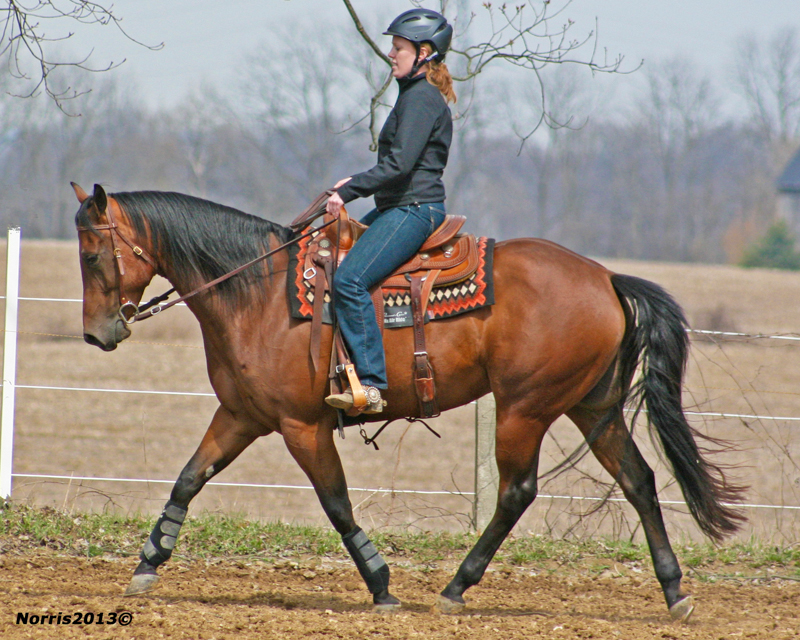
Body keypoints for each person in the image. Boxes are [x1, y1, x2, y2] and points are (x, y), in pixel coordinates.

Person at [324, 8, 456, 414]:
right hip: (399, 207)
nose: (391, 55)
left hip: (413, 210)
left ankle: (372, 386)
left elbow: (398, 165)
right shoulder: (414, 97)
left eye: (398, 48)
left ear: (424, 53)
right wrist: (354, 184)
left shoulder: (421, 100)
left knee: (348, 280)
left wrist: (352, 192)